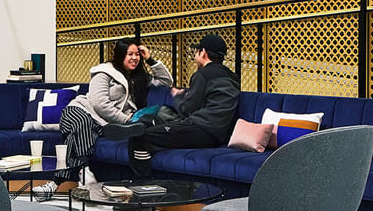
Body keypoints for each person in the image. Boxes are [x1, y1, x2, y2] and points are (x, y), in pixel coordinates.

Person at [52, 40, 172, 188]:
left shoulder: (139, 78)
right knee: (83, 124)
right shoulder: (104, 73)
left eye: (137, 54)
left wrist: (150, 59)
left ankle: (55, 183)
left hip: (104, 123)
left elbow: (166, 81)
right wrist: (125, 120)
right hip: (80, 110)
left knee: (77, 135)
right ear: (120, 55)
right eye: (130, 54)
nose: (134, 58)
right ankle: (84, 171)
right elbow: (99, 103)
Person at [120, 33, 240, 178]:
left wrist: (179, 96)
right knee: (152, 120)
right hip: (216, 134)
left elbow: (187, 110)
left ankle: (143, 185)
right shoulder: (232, 77)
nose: (195, 56)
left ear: (203, 53)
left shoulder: (202, 75)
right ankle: (136, 125)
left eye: (196, 52)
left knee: (140, 136)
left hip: (201, 130)